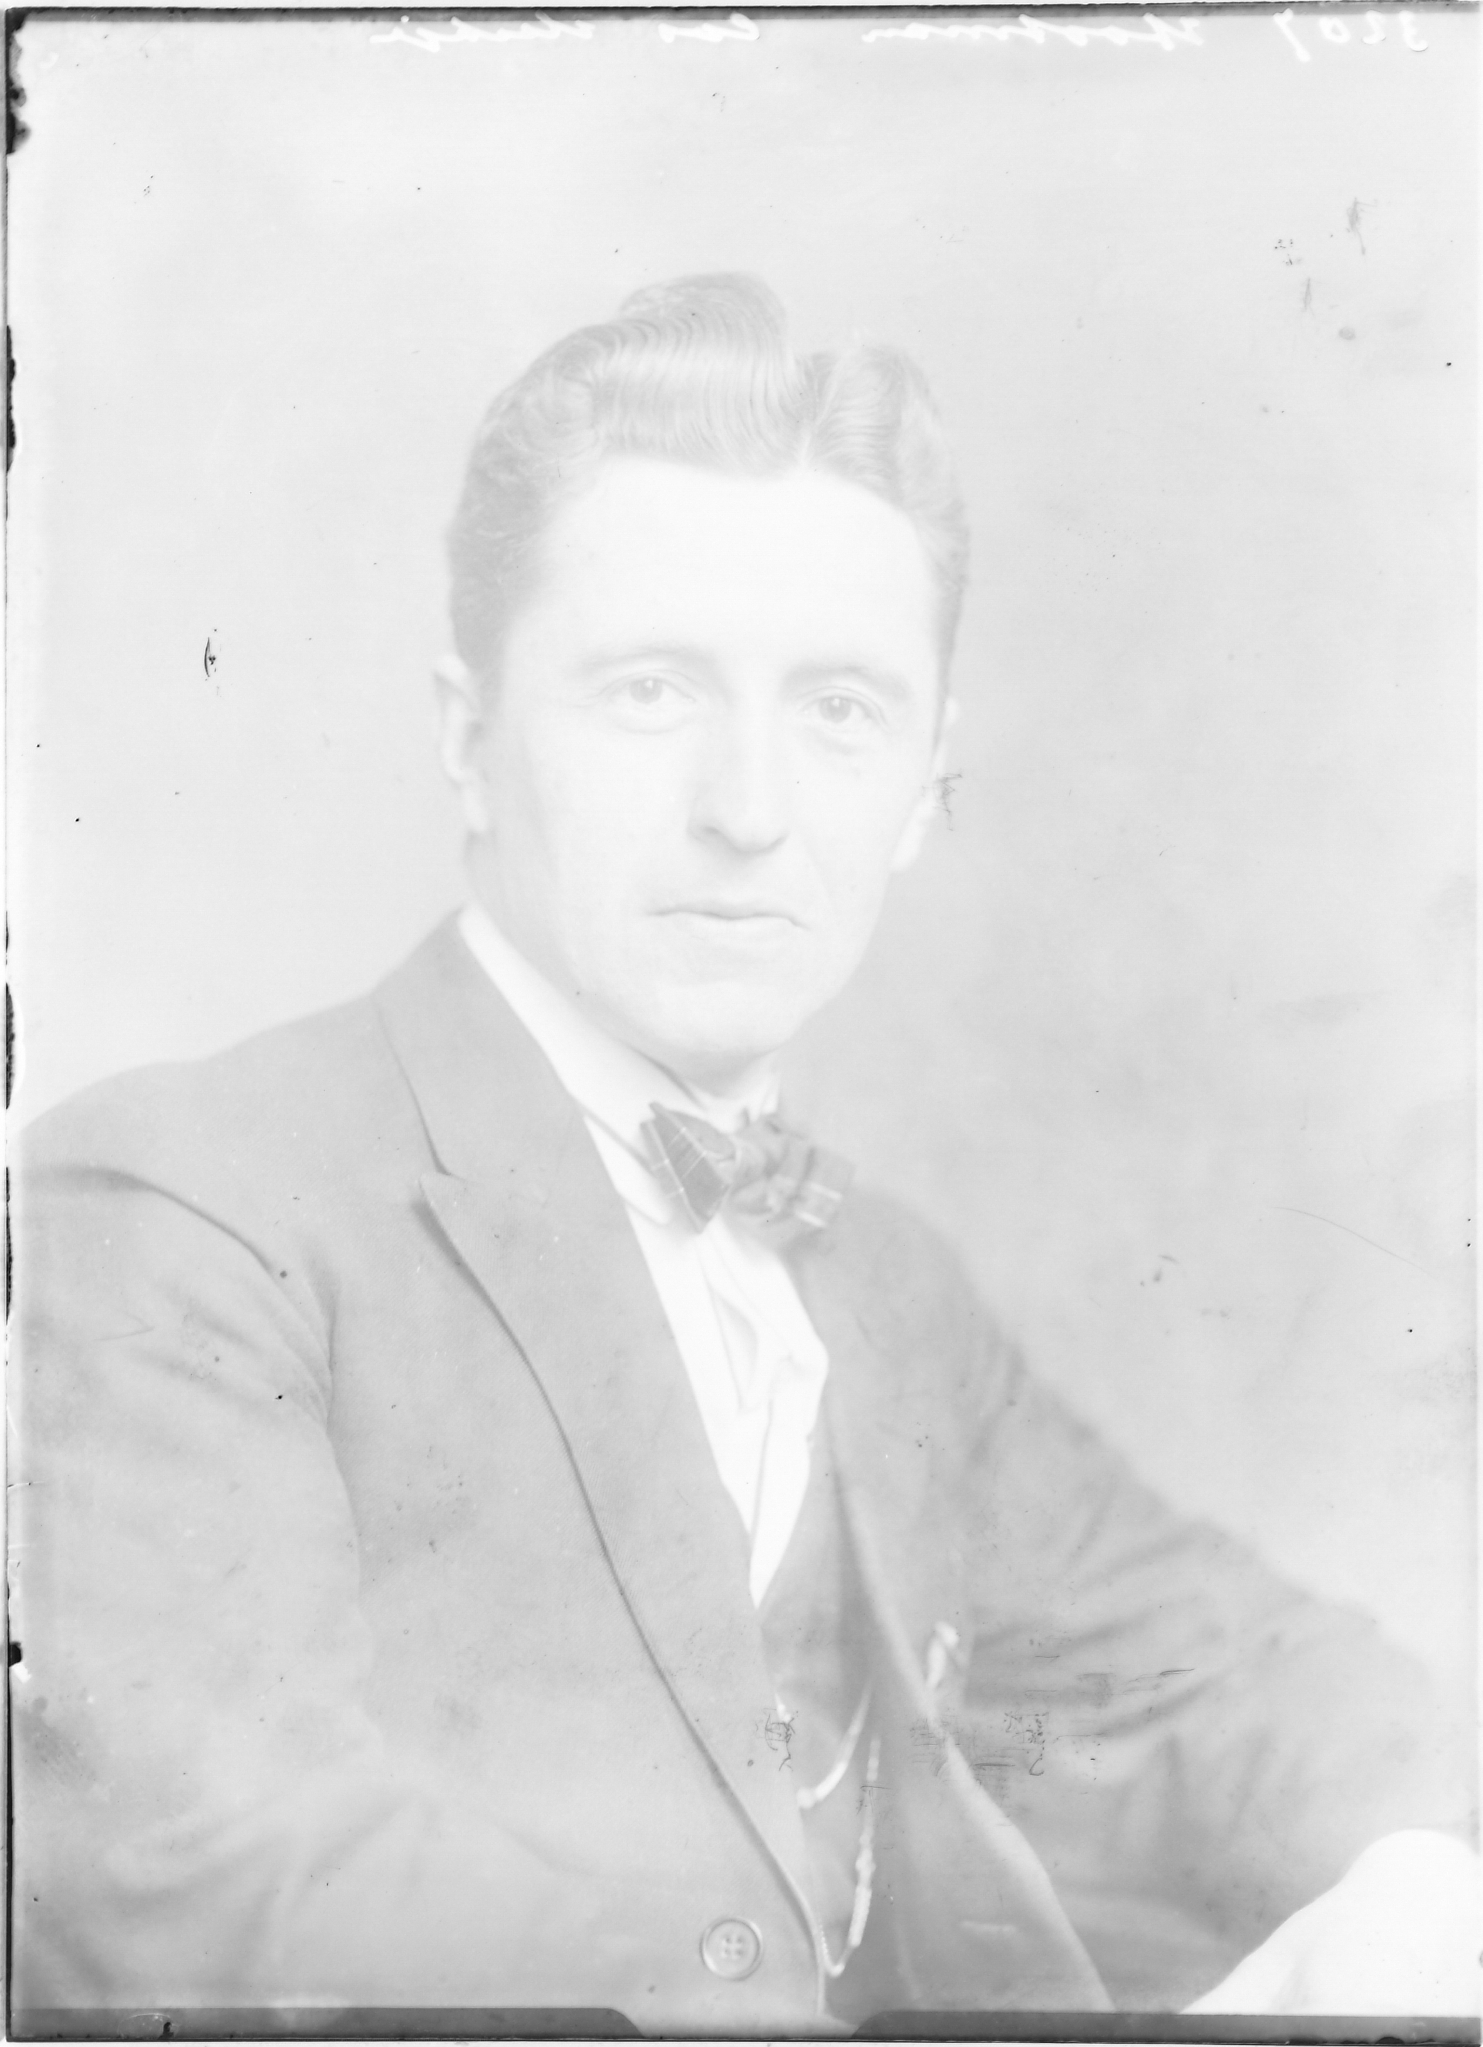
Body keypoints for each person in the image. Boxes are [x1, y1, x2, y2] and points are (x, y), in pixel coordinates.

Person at [10, 274, 1476, 2034]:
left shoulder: (886, 1287)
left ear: (926, 783)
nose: (751, 809)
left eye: (840, 709)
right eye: (651, 690)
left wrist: (1419, 1876)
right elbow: (203, 1880)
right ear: (468, 737)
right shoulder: (179, 1208)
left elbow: (1226, 1676)